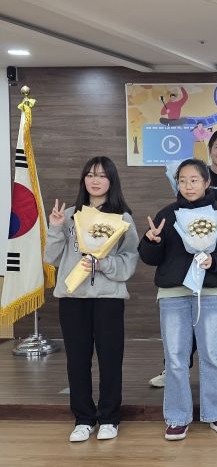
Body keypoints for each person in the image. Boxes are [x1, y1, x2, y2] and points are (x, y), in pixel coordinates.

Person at [139, 158, 217, 441]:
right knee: (175, 358)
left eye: (194, 180)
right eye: (182, 180)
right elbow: (149, 258)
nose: (188, 186)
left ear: (207, 182)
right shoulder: (166, 215)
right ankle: (177, 417)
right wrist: (152, 241)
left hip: (210, 294)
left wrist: (215, 261)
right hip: (173, 294)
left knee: (212, 355)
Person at [148, 129, 217, 389]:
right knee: (183, 319)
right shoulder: (192, 173)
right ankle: (175, 366)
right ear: (210, 149)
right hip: (186, 265)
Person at [44, 156, 139, 442]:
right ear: (83, 179)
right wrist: (55, 228)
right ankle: (84, 418)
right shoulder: (69, 215)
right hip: (73, 298)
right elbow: (51, 258)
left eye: (101, 175)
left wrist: (103, 264)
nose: (95, 180)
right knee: (77, 360)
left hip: (108, 298)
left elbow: (129, 258)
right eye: (90, 175)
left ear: (112, 181)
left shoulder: (122, 218)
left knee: (110, 359)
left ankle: (109, 418)